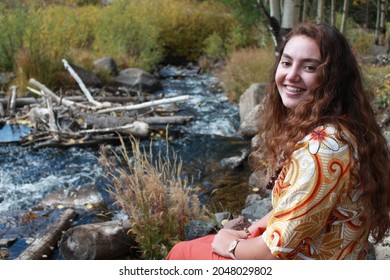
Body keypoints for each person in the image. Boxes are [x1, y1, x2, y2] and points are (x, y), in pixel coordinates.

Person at [166, 22, 390, 260]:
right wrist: (252, 229)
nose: (291, 75)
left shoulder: (321, 149)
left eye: (309, 67)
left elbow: (273, 253)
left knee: (182, 253)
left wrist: (229, 245)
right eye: (286, 62)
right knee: (198, 246)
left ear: (333, 78)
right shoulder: (344, 127)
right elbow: (294, 209)